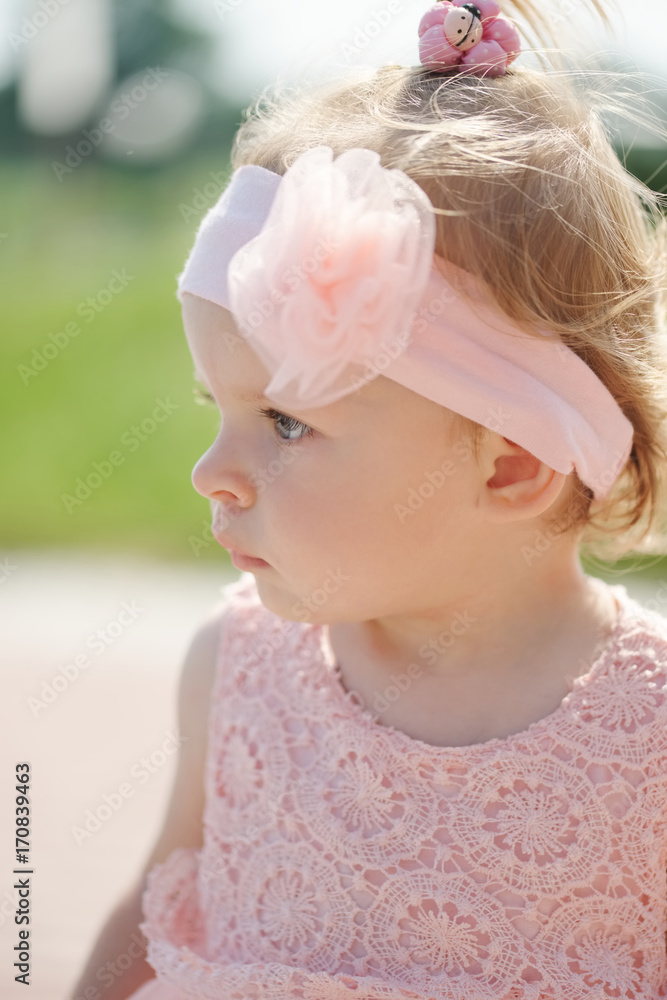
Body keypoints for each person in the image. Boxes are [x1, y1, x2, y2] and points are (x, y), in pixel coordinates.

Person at [70, 1, 667, 997]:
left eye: (285, 423)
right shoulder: (236, 669)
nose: (210, 473)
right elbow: (156, 911)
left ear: (511, 463)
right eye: (219, 408)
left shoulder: (648, 732)